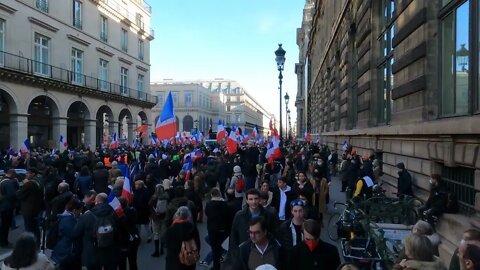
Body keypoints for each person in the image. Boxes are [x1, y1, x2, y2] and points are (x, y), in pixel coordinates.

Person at [73, 193, 119, 270]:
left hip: (92, 252)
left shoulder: (86, 216)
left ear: (96, 201)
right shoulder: (115, 213)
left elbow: (76, 234)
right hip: (111, 251)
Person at [228, 189, 279, 255]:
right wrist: (234, 256)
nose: (254, 202)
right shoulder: (239, 216)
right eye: (251, 199)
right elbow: (233, 237)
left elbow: (274, 235)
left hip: (264, 252)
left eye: (256, 199)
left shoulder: (269, 215)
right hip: (244, 253)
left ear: (260, 199)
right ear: (247, 201)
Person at [51, 196, 83, 269]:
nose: (80, 212)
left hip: (64, 250)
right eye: (80, 210)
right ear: (74, 210)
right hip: (67, 253)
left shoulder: (65, 217)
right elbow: (75, 234)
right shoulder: (68, 221)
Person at [204, 188, 229, 270]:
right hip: (222, 229)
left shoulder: (208, 204)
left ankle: (216, 267)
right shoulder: (225, 204)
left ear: (212, 195)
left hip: (212, 229)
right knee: (219, 246)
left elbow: (207, 213)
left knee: (215, 249)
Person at [16, 168, 43, 243]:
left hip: (28, 209)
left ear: (33, 174)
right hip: (36, 207)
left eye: (28, 173)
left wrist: (23, 185)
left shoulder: (28, 184)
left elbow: (19, 195)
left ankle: (30, 244)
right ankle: (37, 242)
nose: (26, 174)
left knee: (29, 228)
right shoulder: (39, 180)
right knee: (35, 227)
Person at [117, 197, 139, 270]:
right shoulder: (133, 211)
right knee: (133, 261)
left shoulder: (118, 215)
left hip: (122, 241)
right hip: (133, 239)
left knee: (122, 264)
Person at [0, 169, 19, 247]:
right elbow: (12, 195)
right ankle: (3, 242)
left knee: (3, 224)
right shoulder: (9, 183)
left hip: (3, 205)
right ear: (12, 174)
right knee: (5, 225)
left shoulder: (2, 180)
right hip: (7, 206)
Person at [149, 184, 169, 257]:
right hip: (164, 217)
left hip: (156, 217)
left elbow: (149, 205)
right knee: (163, 233)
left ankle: (157, 250)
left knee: (156, 234)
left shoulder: (154, 197)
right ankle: (162, 249)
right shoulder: (167, 197)